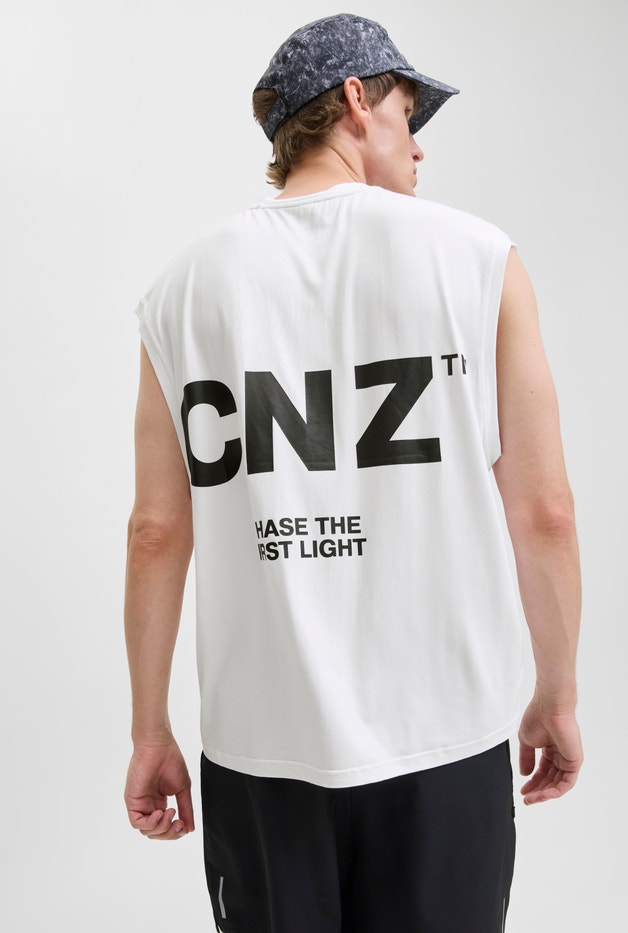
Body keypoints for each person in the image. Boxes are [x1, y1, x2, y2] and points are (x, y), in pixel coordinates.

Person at [123, 13, 583, 932]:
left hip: (261, 756)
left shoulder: (182, 290)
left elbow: (156, 531)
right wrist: (556, 694)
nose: (419, 149)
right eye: (410, 116)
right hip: (443, 741)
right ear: (355, 101)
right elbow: (545, 512)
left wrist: (149, 729)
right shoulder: (479, 260)